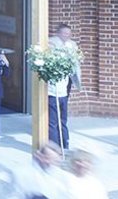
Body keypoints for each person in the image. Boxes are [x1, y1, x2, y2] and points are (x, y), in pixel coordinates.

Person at [48, 22, 82, 151]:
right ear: (58, 33)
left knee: (63, 110)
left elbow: (76, 60)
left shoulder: (72, 44)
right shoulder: (51, 42)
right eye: (64, 33)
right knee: (53, 114)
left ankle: (64, 142)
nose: (67, 35)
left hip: (67, 80)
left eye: (69, 33)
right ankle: (55, 144)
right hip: (54, 82)